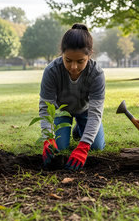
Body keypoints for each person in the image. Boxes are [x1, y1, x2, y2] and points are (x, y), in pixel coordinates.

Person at [39, 23, 106, 170]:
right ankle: (72, 126)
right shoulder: (52, 71)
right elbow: (45, 109)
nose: (73, 67)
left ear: (89, 55)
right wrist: (48, 138)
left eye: (80, 61)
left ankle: (78, 129)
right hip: (61, 111)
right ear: (61, 52)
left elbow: (95, 114)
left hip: (86, 111)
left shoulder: (96, 74)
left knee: (97, 147)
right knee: (60, 147)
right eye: (68, 60)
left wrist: (83, 146)